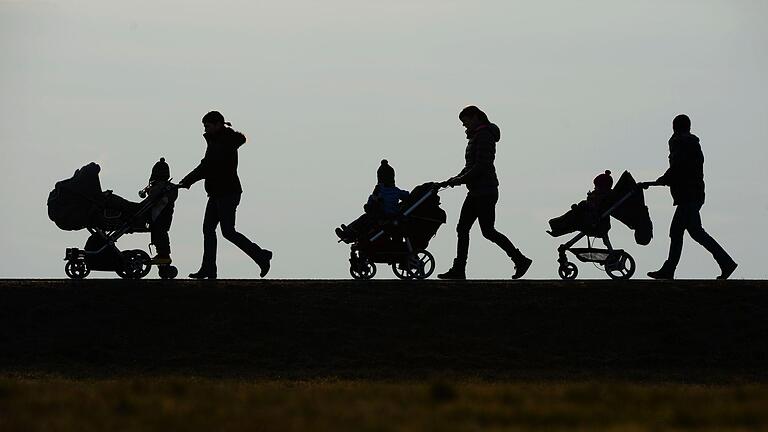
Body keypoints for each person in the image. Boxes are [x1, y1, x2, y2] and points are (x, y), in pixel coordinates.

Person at [437, 106, 532, 280]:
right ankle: (459, 269)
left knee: (486, 231)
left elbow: (481, 166)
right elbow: (470, 166)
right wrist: (454, 179)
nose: (464, 125)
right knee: (466, 228)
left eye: (465, 121)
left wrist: (459, 180)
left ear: (476, 117)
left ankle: (520, 260)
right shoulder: (477, 137)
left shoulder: (484, 136)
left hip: (485, 191)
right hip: (477, 191)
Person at [179, 111, 272, 279]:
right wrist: (188, 180)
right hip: (217, 192)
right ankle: (208, 268)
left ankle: (261, 255)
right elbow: (207, 165)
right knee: (209, 229)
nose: (205, 130)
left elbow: (207, 166)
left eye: (207, 126)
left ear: (217, 124)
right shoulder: (218, 141)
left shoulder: (223, 143)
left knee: (227, 231)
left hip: (227, 192)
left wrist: (188, 180)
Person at [645, 114, 737, 280]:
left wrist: (663, 180)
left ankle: (670, 269)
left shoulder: (680, 142)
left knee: (678, 232)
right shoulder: (692, 143)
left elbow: (679, 167)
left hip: (688, 196)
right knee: (694, 232)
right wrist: (665, 180)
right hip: (694, 194)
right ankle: (726, 262)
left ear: (675, 127)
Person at [335, 159, 410, 243]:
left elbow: (370, 202)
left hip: (383, 216)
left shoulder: (379, 190)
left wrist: (371, 204)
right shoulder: (396, 191)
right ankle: (349, 231)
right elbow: (407, 195)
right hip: (387, 215)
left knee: (364, 218)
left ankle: (349, 232)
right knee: (365, 218)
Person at [143, 157, 177, 265]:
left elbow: (154, 198)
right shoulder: (169, 188)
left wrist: (150, 191)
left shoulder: (161, 188)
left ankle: (164, 255)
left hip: (160, 215)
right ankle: (162, 254)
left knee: (159, 232)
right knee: (160, 233)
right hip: (165, 216)